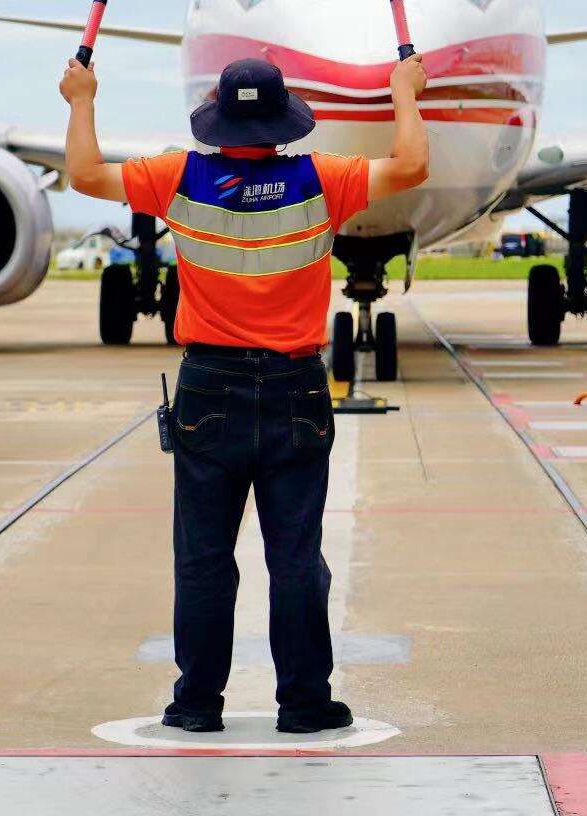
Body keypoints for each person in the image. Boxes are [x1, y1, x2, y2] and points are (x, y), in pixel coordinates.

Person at [59, 50, 429, 735]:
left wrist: (81, 99)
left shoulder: (179, 176)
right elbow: (410, 166)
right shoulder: (324, 180)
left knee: (203, 560)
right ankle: (305, 704)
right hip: (293, 386)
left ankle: (197, 704)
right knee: (294, 560)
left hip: (210, 386)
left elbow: (83, 173)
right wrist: (404, 93)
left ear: (219, 118)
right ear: (285, 121)